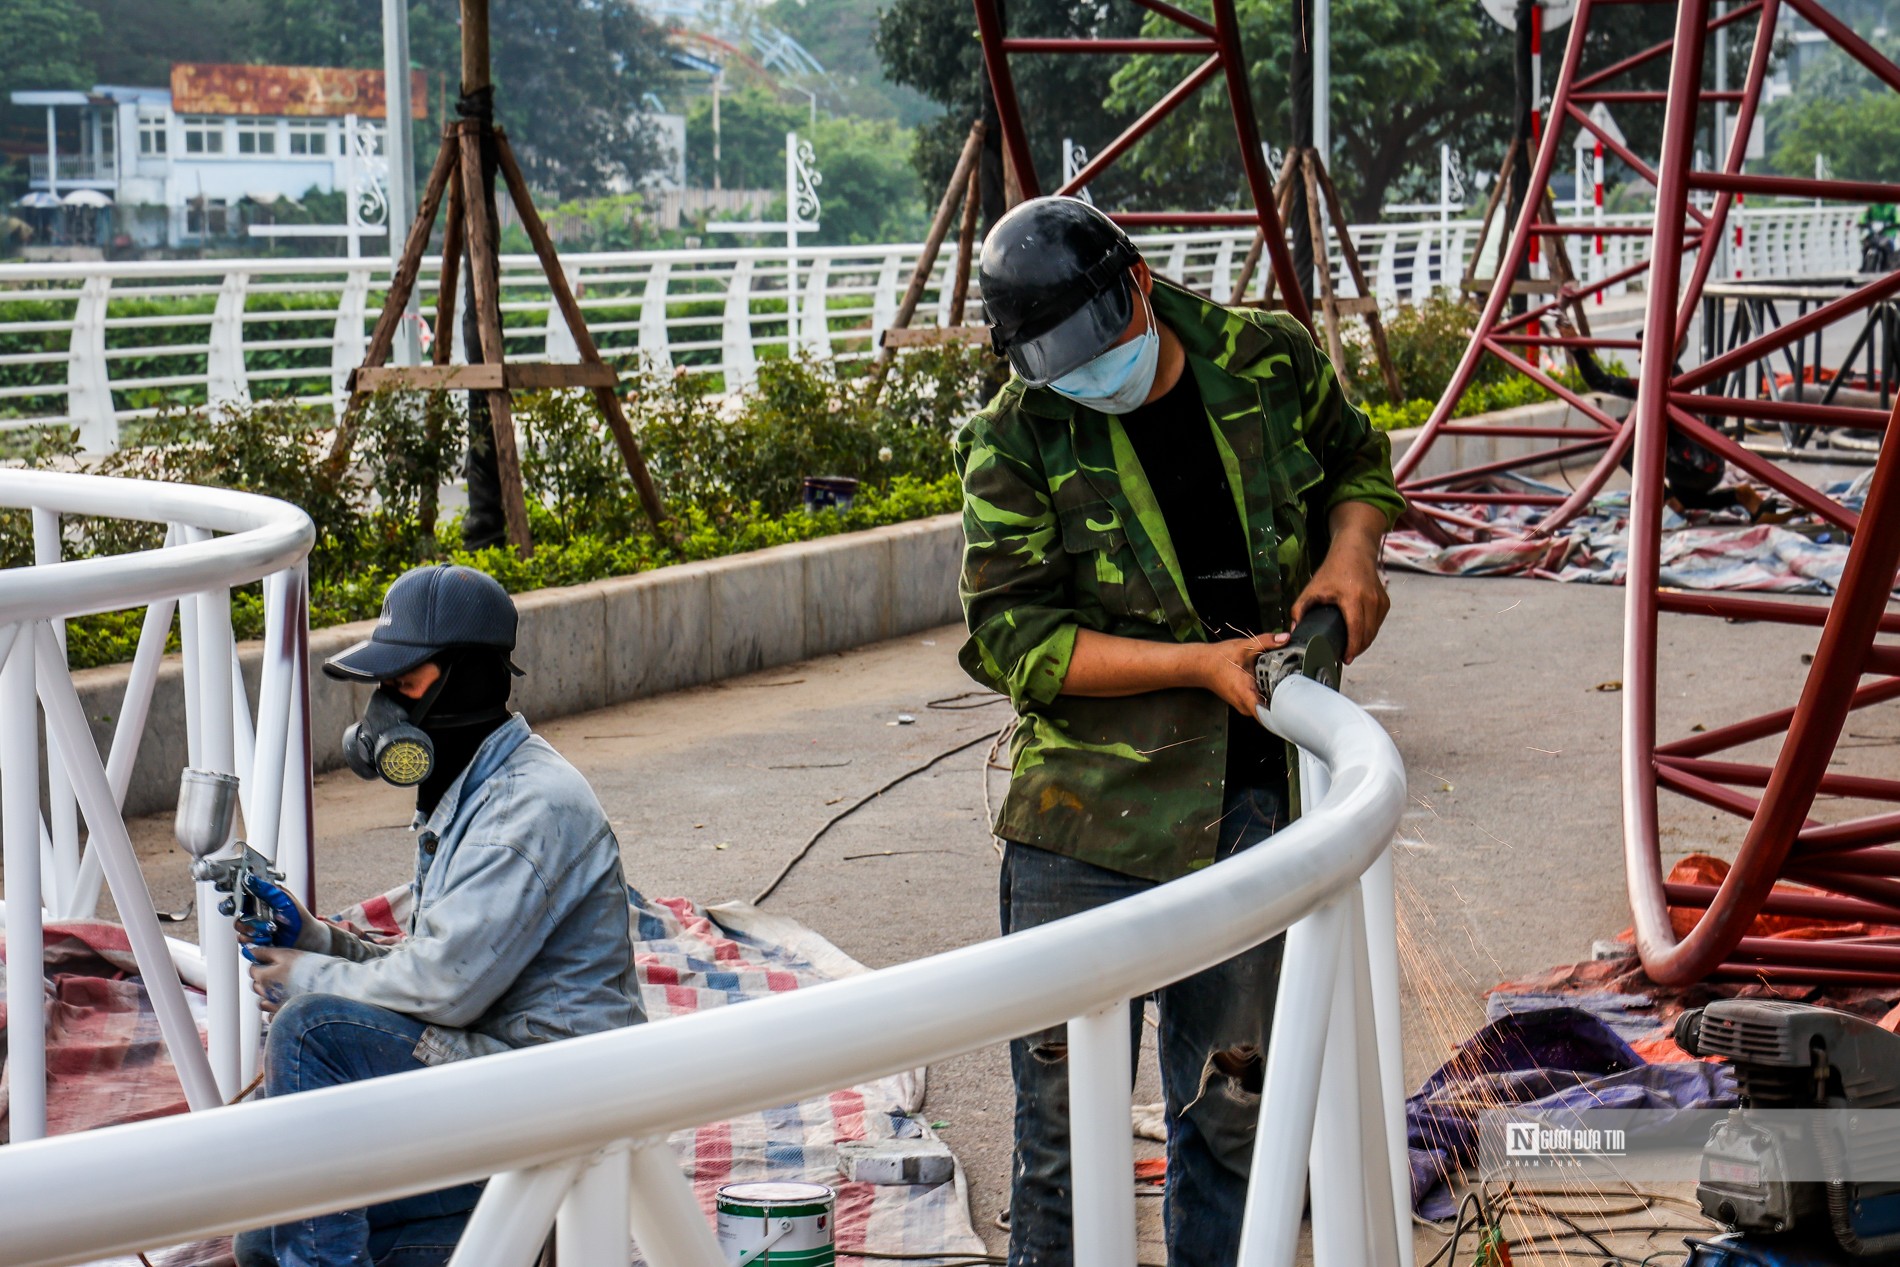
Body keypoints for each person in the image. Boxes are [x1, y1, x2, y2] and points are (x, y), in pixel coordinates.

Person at [955, 196, 1404, 1266]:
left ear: (1139, 285)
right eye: (1056, 362)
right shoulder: (1012, 438)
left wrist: (1353, 553)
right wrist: (1198, 666)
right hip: (1082, 824)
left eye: (1096, 347)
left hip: (1250, 803)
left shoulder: (1266, 359)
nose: (1085, 375)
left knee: (1236, 1117)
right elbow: (1018, 642)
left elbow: (1355, 462)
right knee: (1063, 1138)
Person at [232, 564, 642, 1267]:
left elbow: (442, 991)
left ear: (472, 681)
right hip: (495, 1082)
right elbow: (427, 969)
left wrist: (307, 976)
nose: (385, 710)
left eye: (406, 684)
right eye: (384, 686)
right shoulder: (469, 790)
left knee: (310, 1028)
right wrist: (318, 937)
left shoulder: (526, 810)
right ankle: (513, 1244)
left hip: (553, 1096)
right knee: (264, 1239)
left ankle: (527, 1235)